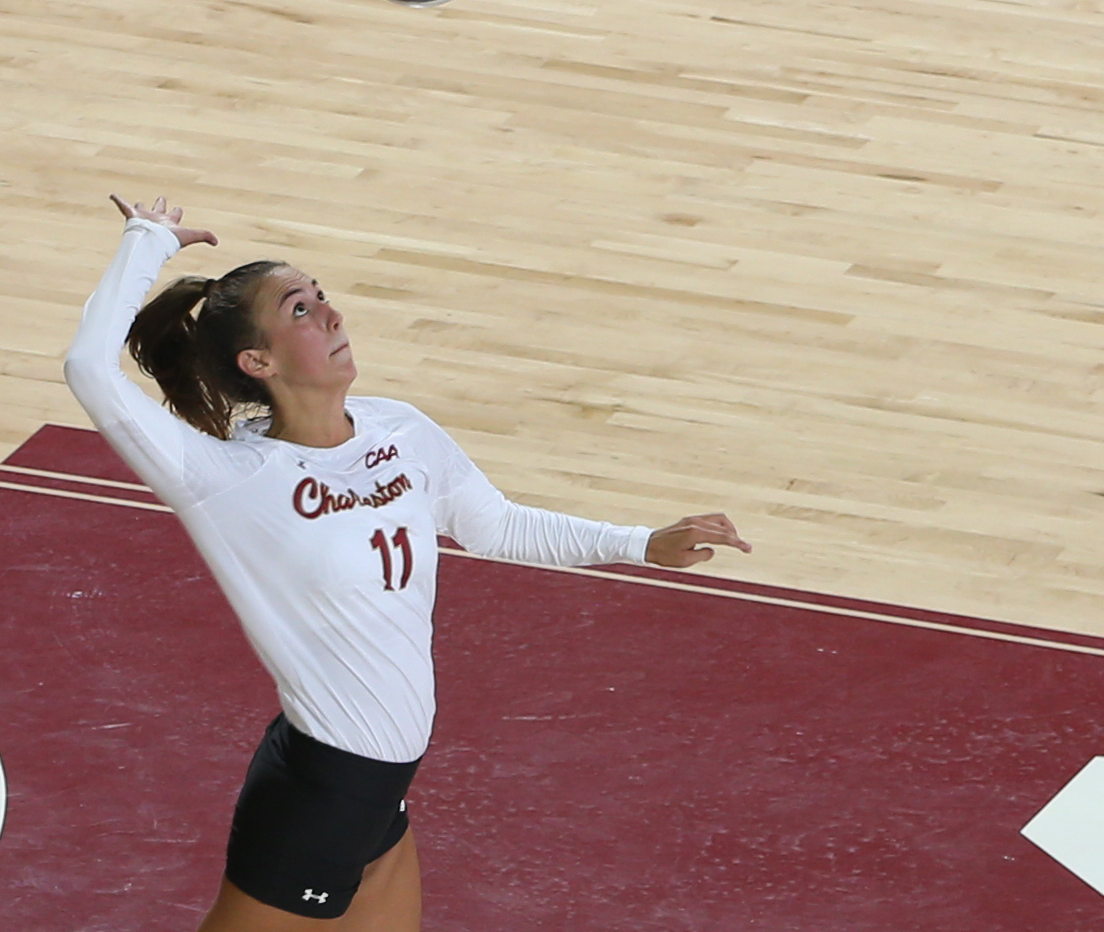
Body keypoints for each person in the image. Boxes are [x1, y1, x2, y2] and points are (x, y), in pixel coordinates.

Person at [64, 195, 752, 931]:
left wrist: (640, 543)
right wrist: (148, 240)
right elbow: (90, 370)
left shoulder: (400, 430)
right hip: (318, 797)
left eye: (322, 297)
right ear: (256, 361)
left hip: (378, 795)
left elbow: (496, 526)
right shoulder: (227, 477)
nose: (330, 316)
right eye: (299, 311)